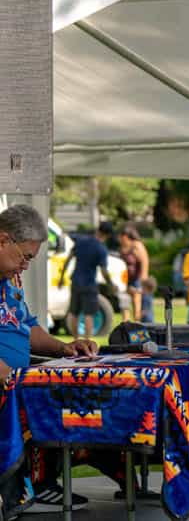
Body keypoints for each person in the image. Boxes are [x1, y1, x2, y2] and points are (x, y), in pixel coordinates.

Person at [0, 205, 99, 515]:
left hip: (18, 379)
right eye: (26, 257)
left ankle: (40, 483)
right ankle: (22, 488)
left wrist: (64, 348)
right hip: (6, 383)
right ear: (3, 240)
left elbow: (27, 328)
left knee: (82, 397)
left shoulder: (10, 282)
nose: (26, 266)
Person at [57, 221, 114, 338]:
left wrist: (62, 277)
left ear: (98, 230)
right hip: (89, 284)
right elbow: (104, 271)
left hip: (76, 281)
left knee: (74, 312)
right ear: (108, 235)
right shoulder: (101, 249)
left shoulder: (81, 241)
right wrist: (110, 284)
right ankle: (87, 340)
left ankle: (76, 340)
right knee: (89, 314)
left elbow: (68, 259)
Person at [118, 225, 149, 322]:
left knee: (136, 305)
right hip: (125, 280)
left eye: (121, 236)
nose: (119, 239)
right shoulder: (123, 247)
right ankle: (125, 325)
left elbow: (144, 261)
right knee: (125, 304)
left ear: (126, 236)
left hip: (136, 280)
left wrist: (143, 278)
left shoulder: (136, 245)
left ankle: (137, 324)